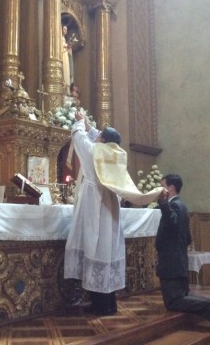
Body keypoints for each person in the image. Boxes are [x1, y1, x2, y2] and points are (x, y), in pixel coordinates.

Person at [64, 112, 163, 315]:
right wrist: (90, 126)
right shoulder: (116, 156)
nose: (97, 137)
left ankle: (99, 305)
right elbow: (96, 137)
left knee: (95, 247)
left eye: (99, 136)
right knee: (106, 253)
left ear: (102, 141)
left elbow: (79, 137)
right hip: (111, 207)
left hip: (94, 206)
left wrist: (80, 122)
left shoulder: (94, 153)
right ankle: (110, 303)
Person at [156, 173, 210, 330]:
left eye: (162, 185)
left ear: (170, 188)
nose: (159, 189)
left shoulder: (173, 205)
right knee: (182, 296)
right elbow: (187, 237)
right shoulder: (182, 206)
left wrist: (163, 204)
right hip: (178, 260)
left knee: (173, 301)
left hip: (171, 262)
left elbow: (173, 223)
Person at [61, 25, 73, 95]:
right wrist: (66, 46)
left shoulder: (64, 38)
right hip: (63, 55)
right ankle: (64, 85)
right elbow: (61, 45)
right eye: (64, 29)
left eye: (66, 30)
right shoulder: (61, 38)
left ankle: (67, 87)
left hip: (65, 55)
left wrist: (68, 47)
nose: (65, 31)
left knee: (67, 71)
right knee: (64, 70)